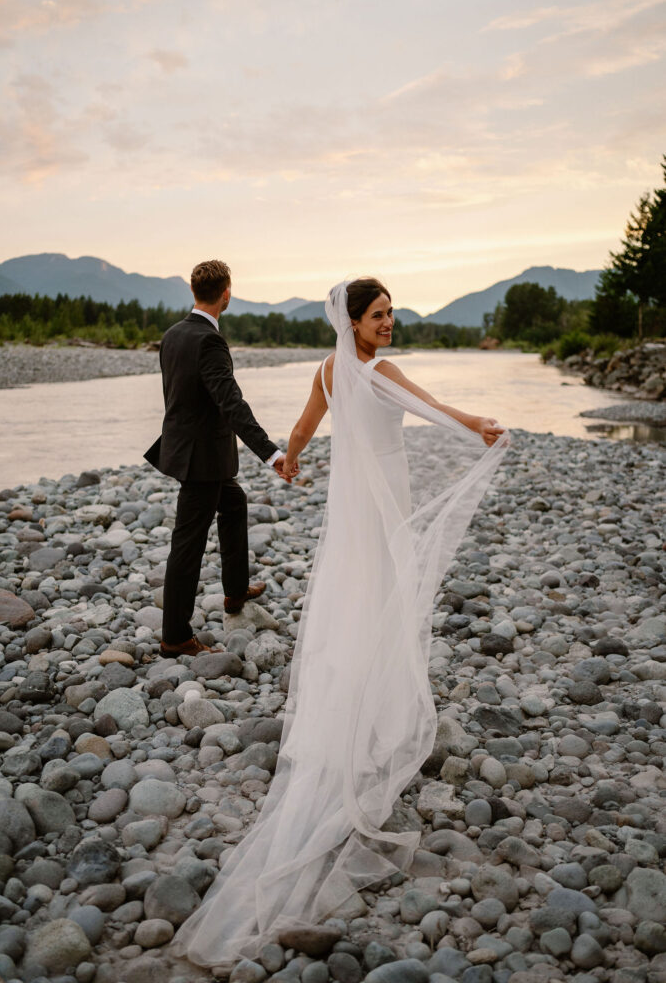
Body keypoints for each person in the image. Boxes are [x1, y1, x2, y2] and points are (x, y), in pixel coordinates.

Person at [173, 277, 509, 968]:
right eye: (379, 315)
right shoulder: (376, 372)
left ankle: (358, 708)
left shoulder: (332, 370)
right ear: (352, 321)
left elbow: (302, 431)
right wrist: (474, 423)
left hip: (354, 507)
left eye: (391, 313)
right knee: (383, 600)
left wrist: (288, 462)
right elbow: (429, 407)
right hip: (380, 503)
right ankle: (377, 717)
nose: (390, 323)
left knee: (356, 601)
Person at [144, 259, 290, 658]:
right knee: (187, 545)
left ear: (194, 291)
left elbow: (179, 395)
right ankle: (175, 637)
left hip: (188, 450)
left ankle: (235, 590)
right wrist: (271, 452)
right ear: (227, 293)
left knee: (234, 503)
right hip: (201, 459)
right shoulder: (209, 341)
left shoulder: (172, 334)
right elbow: (231, 403)